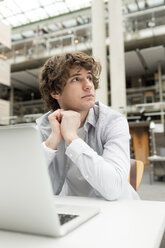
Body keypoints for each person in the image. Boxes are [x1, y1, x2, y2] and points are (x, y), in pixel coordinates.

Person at [36, 51, 140, 200]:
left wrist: (72, 138)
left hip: (119, 210)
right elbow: (25, 185)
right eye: (76, 79)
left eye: (89, 78)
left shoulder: (113, 121)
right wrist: (51, 142)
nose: (88, 86)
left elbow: (114, 189)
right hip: (75, 209)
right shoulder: (45, 127)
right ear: (55, 92)